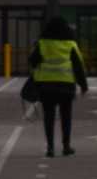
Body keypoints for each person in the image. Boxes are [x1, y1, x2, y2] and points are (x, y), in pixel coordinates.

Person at [28, 15, 85, 156]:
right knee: (66, 116)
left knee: (49, 117)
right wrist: (83, 84)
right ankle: (66, 146)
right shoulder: (71, 44)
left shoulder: (42, 44)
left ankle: (50, 148)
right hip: (66, 86)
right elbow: (78, 66)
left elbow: (32, 61)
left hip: (46, 86)